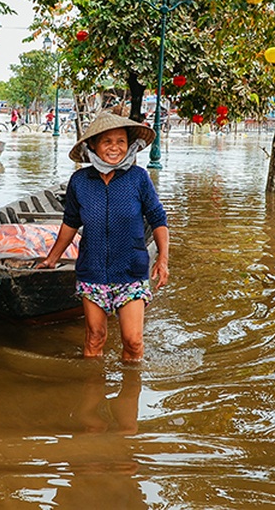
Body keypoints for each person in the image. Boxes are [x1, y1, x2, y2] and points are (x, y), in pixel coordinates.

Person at [36, 111, 169, 362]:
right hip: (93, 271)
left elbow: (158, 219)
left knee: (133, 341)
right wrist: (52, 258)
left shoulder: (138, 178)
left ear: (129, 145)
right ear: (93, 146)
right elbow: (70, 223)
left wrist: (163, 258)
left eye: (121, 141)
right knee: (95, 337)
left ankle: (130, 396)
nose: (114, 148)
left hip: (131, 271)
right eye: (107, 142)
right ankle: (93, 392)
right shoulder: (80, 181)